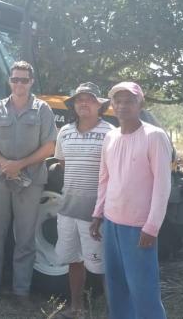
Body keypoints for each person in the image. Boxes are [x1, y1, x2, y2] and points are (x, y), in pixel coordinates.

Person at [0, 61, 57, 302]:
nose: (19, 83)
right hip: (1, 178)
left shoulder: (42, 110)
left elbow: (50, 146)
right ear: (9, 81)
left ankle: (21, 290)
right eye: (15, 79)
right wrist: (3, 162)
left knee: (25, 236)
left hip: (30, 180)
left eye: (24, 79)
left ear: (31, 82)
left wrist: (19, 164)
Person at [89, 82, 172, 319]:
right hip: (112, 222)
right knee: (116, 289)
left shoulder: (154, 136)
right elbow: (104, 179)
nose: (123, 106)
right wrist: (98, 214)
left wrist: (152, 227)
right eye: (118, 101)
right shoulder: (110, 137)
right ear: (111, 105)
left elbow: (162, 185)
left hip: (138, 227)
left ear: (140, 104)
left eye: (129, 101)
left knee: (143, 290)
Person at [54, 82, 114, 318]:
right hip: (67, 209)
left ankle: (114, 310)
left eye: (89, 99)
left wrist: (101, 211)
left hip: (96, 214)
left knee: (104, 265)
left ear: (99, 105)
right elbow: (62, 163)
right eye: (79, 99)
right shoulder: (65, 132)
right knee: (74, 260)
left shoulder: (110, 133)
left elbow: (115, 174)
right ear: (73, 105)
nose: (83, 103)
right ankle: (76, 307)